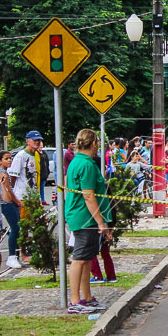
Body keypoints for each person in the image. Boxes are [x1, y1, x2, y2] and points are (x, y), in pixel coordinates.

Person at [64, 128, 111, 314]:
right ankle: (75, 300)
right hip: (85, 217)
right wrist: (101, 222)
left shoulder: (78, 162)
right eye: (97, 143)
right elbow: (89, 196)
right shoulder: (86, 165)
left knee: (86, 258)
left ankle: (87, 297)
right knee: (79, 258)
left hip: (82, 216)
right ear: (93, 144)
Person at [7, 131, 41, 268]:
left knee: (39, 224)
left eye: (39, 140)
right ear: (28, 141)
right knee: (23, 227)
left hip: (34, 196)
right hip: (22, 197)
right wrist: (14, 197)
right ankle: (22, 253)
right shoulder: (21, 156)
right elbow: (13, 178)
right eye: (34, 140)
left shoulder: (37, 155)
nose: (37, 142)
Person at [0, 150, 22, 271]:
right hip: (6, 203)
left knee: (17, 228)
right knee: (15, 228)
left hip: (9, 202)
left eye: (10, 158)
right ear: (0, 161)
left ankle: (17, 255)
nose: (10, 160)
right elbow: (8, 190)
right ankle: (12, 256)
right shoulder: (2, 173)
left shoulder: (4, 171)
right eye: (6, 158)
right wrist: (16, 201)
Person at [35, 140, 50, 206]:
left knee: (42, 188)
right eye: (39, 145)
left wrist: (47, 171)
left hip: (45, 173)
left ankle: (43, 200)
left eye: (42, 145)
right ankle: (38, 200)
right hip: (39, 174)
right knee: (38, 188)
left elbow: (47, 162)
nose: (41, 146)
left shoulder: (44, 153)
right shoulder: (36, 153)